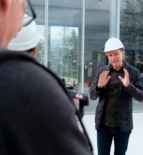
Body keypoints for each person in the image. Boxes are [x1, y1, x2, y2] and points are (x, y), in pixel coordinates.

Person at [0, 0, 93, 155]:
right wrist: (58, 108)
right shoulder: (33, 85)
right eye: (24, 3)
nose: (24, 11)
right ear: (6, 2)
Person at [89, 37, 143, 155]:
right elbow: (92, 95)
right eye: (110, 55)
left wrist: (128, 86)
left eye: (116, 54)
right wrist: (99, 86)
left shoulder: (133, 72)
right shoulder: (102, 72)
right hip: (103, 125)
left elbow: (141, 96)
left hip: (123, 126)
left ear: (122, 53)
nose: (113, 58)